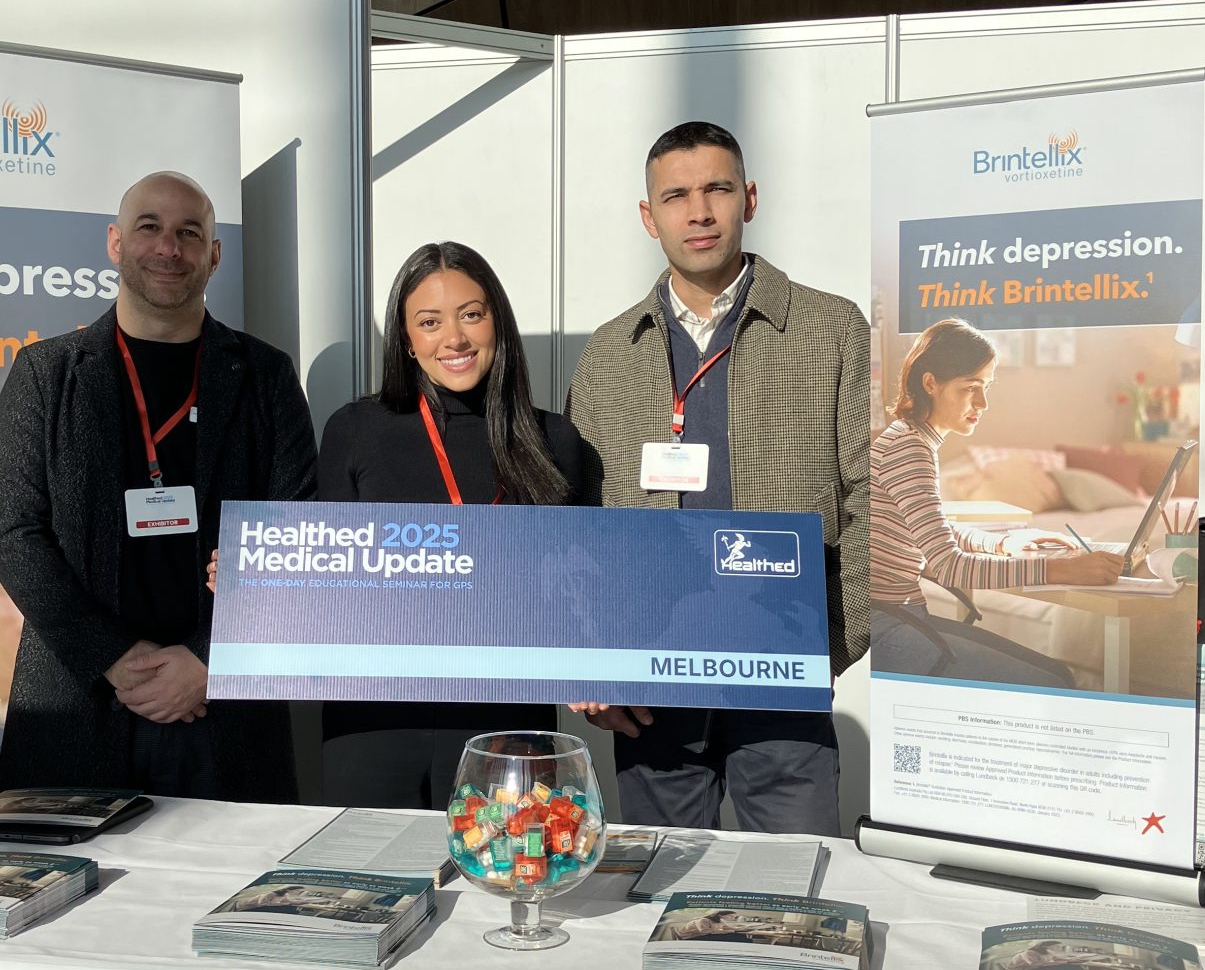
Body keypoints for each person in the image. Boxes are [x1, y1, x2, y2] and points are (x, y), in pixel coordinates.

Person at [566, 119, 867, 836]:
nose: (698, 212)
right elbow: (578, 524)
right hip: (651, 688)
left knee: (791, 885)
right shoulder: (609, 353)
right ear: (650, 217)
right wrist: (590, 659)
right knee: (659, 883)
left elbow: (876, 501)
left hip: (782, 678)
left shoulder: (831, 330)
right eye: (676, 197)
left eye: (717, 190)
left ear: (750, 199)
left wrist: (828, 644)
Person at [0, 170, 316, 801]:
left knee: (237, 867)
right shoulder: (46, 374)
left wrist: (208, 659)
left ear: (214, 254)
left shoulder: (265, 376)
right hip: (79, 703)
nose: (168, 248)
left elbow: (297, 535)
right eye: (150, 227)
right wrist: (114, 657)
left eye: (189, 233)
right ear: (115, 242)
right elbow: (11, 532)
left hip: (223, 708)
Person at [316, 241, 584, 808]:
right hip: (373, 722)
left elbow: (580, 588)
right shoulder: (355, 430)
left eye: (471, 314)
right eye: (430, 322)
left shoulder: (554, 440)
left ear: (497, 322)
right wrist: (251, 581)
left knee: (508, 865)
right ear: (407, 339)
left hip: (507, 725)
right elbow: (322, 579)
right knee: (367, 864)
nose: (454, 338)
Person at [871, 319, 1120, 684]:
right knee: (1055, 681)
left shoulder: (908, 437)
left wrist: (1003, 543)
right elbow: (949, 567)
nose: (983, 403)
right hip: (886, 627)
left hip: (898, 617)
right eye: (970, 388)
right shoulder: (910, 449)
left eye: (985, 387)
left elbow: (929, 528)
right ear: (931, 383)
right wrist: (1063, 570)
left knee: (1057, 673)